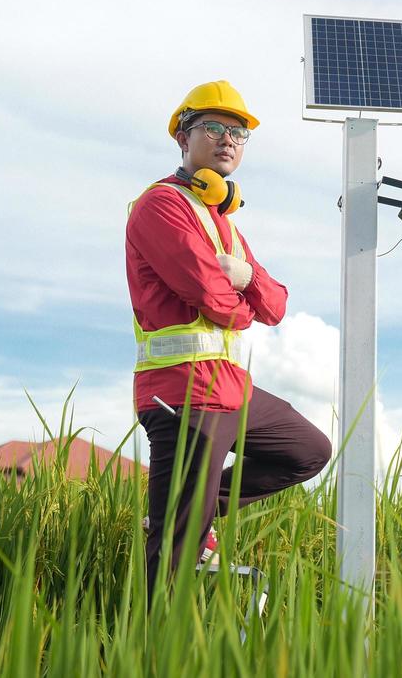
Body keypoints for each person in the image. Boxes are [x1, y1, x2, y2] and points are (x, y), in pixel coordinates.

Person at [126, 79, 331, 603]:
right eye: (213, 128)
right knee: (176, 554)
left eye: (239, 133)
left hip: (232, 391)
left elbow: (277, 304)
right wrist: (243, 298)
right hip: (183, 394)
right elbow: (211, 297)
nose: (228, 139)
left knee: (308, 450)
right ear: (182, 138)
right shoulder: (160, 206)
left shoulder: (225, 226)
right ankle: (155, 650)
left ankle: (191, 506)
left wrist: (244, 276)